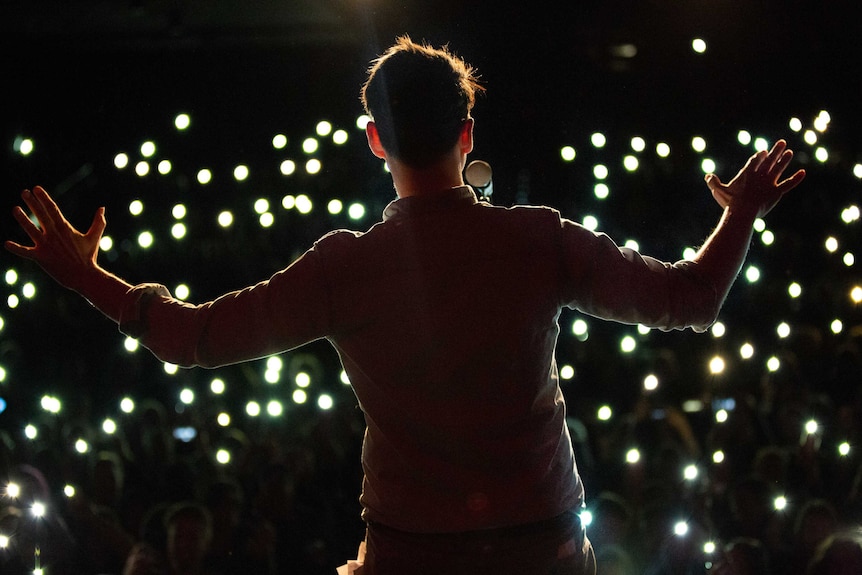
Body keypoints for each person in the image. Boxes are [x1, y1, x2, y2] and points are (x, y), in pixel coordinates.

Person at [5, 36, 805, 575]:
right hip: (544, 550)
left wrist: (88, 278)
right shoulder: (538, 239)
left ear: (375, 141)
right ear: (466, 135)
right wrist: (739, 214)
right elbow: (692, 297)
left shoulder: (346, 268)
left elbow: (196, 337)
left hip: (410, 555)